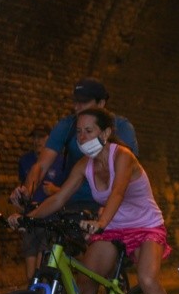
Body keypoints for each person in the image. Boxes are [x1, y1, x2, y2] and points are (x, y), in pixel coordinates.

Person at [8, 107, 179, 294]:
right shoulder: (85, 166)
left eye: (89, 131)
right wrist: (27, 218)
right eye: (79, 132)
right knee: (82, 287)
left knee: (148, 280)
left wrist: (100, 222)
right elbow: (58, 199)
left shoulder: (122, 157)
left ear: (105, 133)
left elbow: (116, 193)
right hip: (113, 227)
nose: (82, 137)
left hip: (145, 225)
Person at [11, 78, 138, 214]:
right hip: (73, 200)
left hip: (109, 202)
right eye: (75, 101)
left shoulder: (122, 127)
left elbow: (125, 174)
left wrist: (106, 214)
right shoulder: (66, 126)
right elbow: (41, 166)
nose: (77, 107)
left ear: (101, 103)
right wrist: (27, 190)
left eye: (83, 102)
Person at [17, 124, 66, 280]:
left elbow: (69, 192)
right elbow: (23, 185)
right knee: (30, 273)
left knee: (41, 267)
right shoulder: (25, 161)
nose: (37, 141)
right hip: (31, 217)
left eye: (41, 137)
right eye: (35, 137)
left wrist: (54, 190)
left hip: (50, 218)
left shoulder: (61, 162)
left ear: (49, 139)